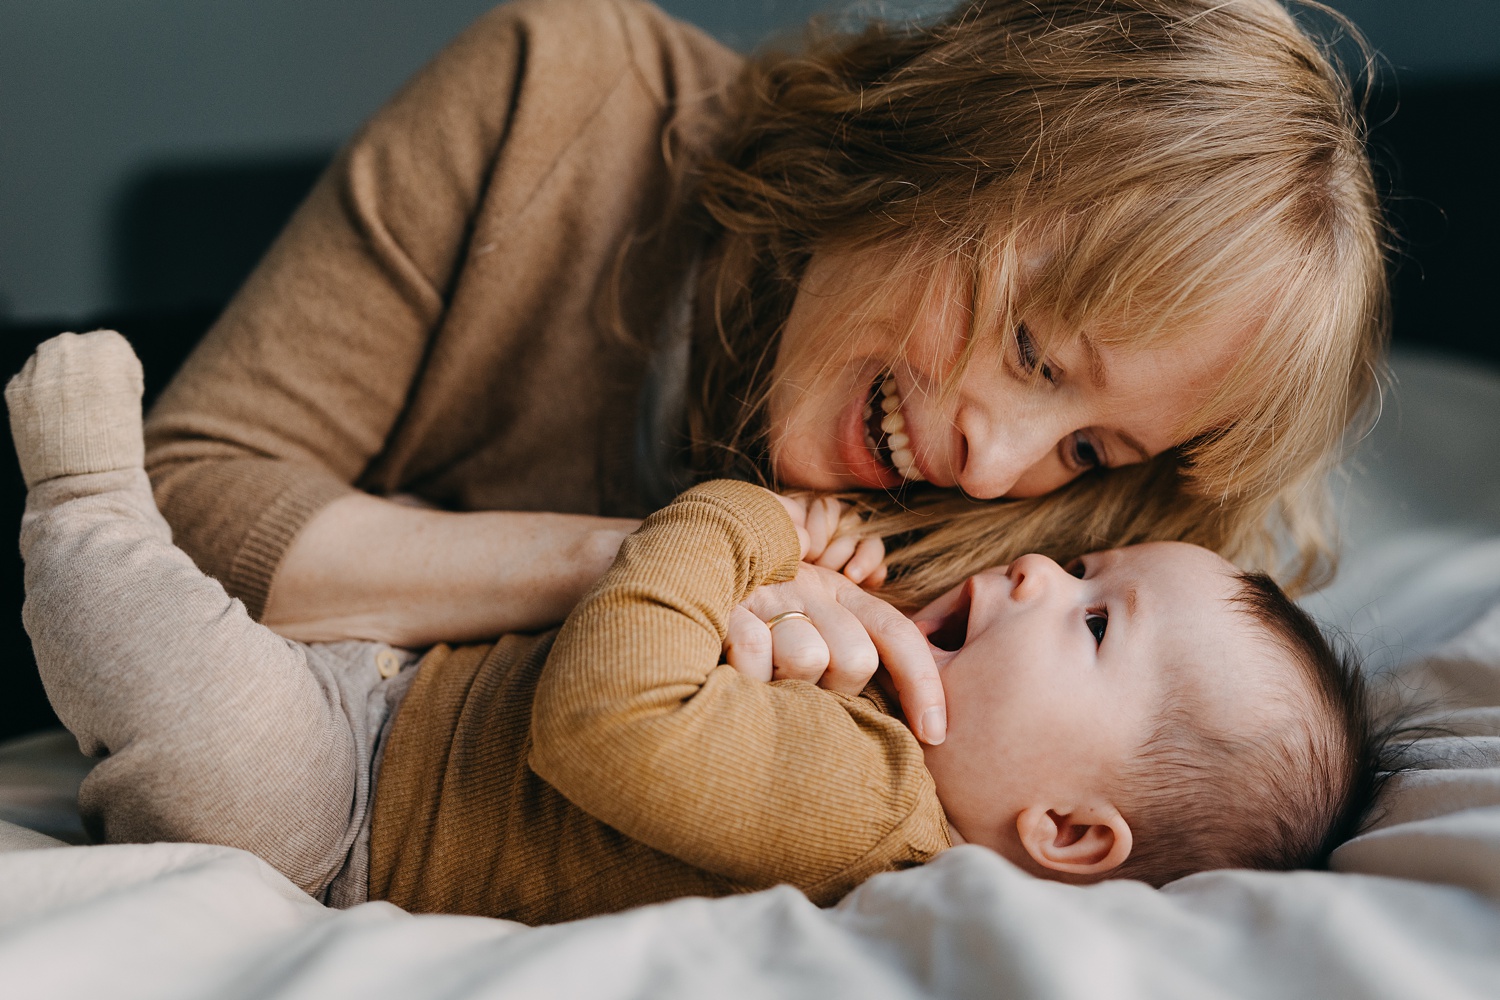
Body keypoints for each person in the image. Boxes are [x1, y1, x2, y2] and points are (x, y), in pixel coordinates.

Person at [139, 0, 1388, 726]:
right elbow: (172, 515)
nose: (995, 459)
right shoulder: (554, 100)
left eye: (1087, 446)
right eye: (1026, 346)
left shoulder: (1036, 569)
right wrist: (659, 558)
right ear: (959, 132)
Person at [10, 331, 1378, 923]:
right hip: (387, 702)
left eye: (1090, 625)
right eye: (1082, 569)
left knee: (171, 681)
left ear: (1069, 834)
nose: (1035, 575)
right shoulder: (884, 735)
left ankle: (84, 505)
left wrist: (744, 526)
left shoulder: (871, 806)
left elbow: (604, 718)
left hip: (340, 811)